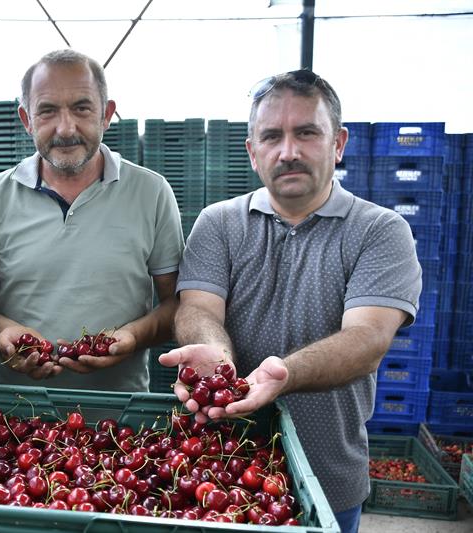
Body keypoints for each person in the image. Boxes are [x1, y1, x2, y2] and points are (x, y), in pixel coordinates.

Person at [159, 70, 421, 533]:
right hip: (218, 472)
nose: (288, 152)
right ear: (252, 152)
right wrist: (216, 356)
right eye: (271, 137)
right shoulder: (218, 223)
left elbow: (368, 338)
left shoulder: (380, 231)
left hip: (328, 478)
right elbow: (198, 308)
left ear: (338, 143)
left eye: (306, 133)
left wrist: (287, 373)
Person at [0, 49, 184, 392]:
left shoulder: (151, 192)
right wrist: (2, 332)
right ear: (26, 119)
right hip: (14, 410)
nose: (66, 129)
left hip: (120, 410)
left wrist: (132, 337)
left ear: (106, 114)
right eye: (47, 111)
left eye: (82, 108)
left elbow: (177, 305)